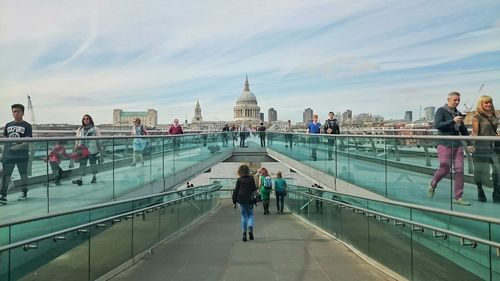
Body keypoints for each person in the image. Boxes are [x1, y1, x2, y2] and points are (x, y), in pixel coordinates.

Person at [428, 92, 474, 205]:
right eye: (455, 100)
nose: (457, 102)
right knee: (445, 168)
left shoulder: (458, 113)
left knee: (459, 170)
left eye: (458, 100)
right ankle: (433, 184)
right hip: (444, 143)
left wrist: (469, 143)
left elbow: (463, 130)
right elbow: (437, 125)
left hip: (457, 144)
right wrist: (453, 121)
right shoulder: (440, 111)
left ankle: (458, 197)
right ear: (448, 99)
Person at [0, 104, 33, 203]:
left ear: (22, 113)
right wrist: (3, 153)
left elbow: (28, 140)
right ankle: (3, 195)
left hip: (22, 155)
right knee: (6, 175)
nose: (16, 113)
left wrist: (19, 146)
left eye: (18, 111)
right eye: (14, 111)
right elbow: (5, 140)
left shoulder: (27, 125)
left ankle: (24, 191)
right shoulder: (8, 125)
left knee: (23, 174)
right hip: (9, 155)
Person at [471, 95, 500, 203]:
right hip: (481, 147)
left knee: (498, 170)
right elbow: (475, 133)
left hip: (496, 147)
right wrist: (472, 146)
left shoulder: (494, 116)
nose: (488, 104)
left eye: (490, 102)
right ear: (481, 104)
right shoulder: (477, 117)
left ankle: (497, 194)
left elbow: (493, 131)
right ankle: (480, 190)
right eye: (486, 103)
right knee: (480, 171)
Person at [72, 114, 101, 186]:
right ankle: (80, 179)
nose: (86, 120)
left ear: (90, 119)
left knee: (93, 164)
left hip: (92, 149)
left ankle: (94, 177)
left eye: (87, 118)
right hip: (82, 150)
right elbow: (77, 140)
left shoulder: (95, 129)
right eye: (84, 119)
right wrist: (75, 149)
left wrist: (100, 149)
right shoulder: (80, 129)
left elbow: (99, 140)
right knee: (82, 164)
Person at [232, 164, 258, 242]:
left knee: (243, 216)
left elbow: (236, 190)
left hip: (241, 199)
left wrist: (234, 201)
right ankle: (250, 227)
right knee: (250, 215)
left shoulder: (239, 179)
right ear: (247, 171)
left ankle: (244, 234)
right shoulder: (251, 178)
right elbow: (254, 189)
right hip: (249, 199)